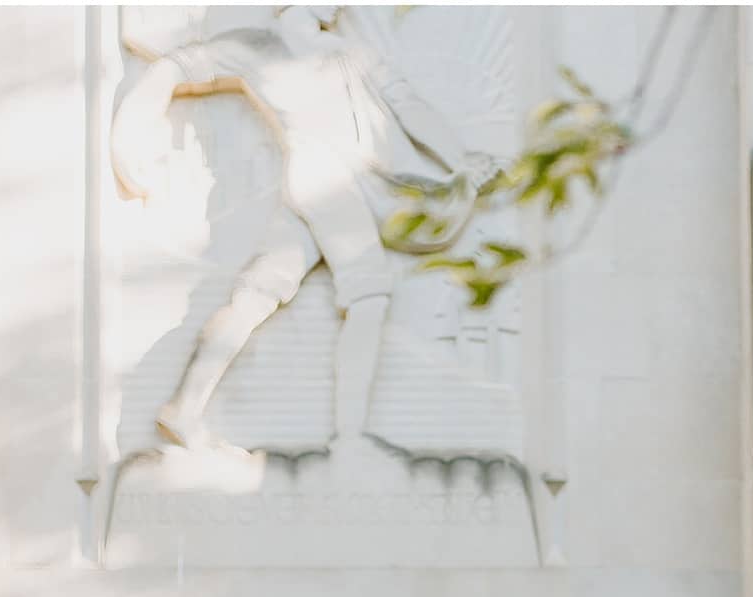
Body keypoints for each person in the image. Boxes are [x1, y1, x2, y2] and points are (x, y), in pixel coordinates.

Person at [111, 5, 489, 451]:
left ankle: (183, 409)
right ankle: (351, 438)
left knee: (258, 293)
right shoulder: (261, 46)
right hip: (321, 179)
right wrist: (130, 132)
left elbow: (410, 108)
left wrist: (462, 162)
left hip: (342, 182)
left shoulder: (354, 52)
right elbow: (177, 68)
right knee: (368, 294)